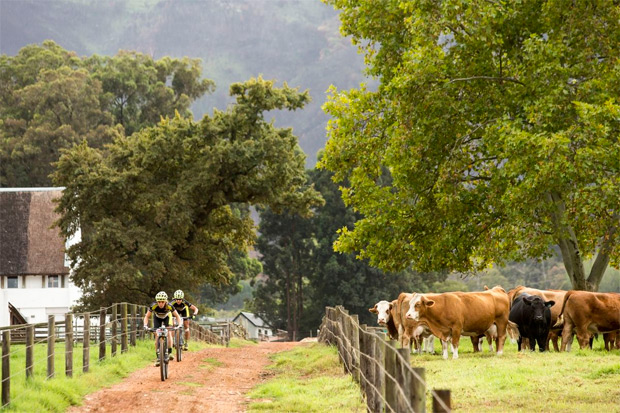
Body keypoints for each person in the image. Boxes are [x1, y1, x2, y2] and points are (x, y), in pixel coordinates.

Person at [143, 291, 182, 366]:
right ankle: (158, 358)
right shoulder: (153, 306)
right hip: (157, 317)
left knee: (169, 332)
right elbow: (147, 316)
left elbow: (177, 316)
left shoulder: (169, 306)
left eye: (162, 302)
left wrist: (179, 324)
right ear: (157, 301)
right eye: (159, 302)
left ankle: (169, 352)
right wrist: (145, 325)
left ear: (165, 301)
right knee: (157, 336)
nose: (160, 304)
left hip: (167, 317)